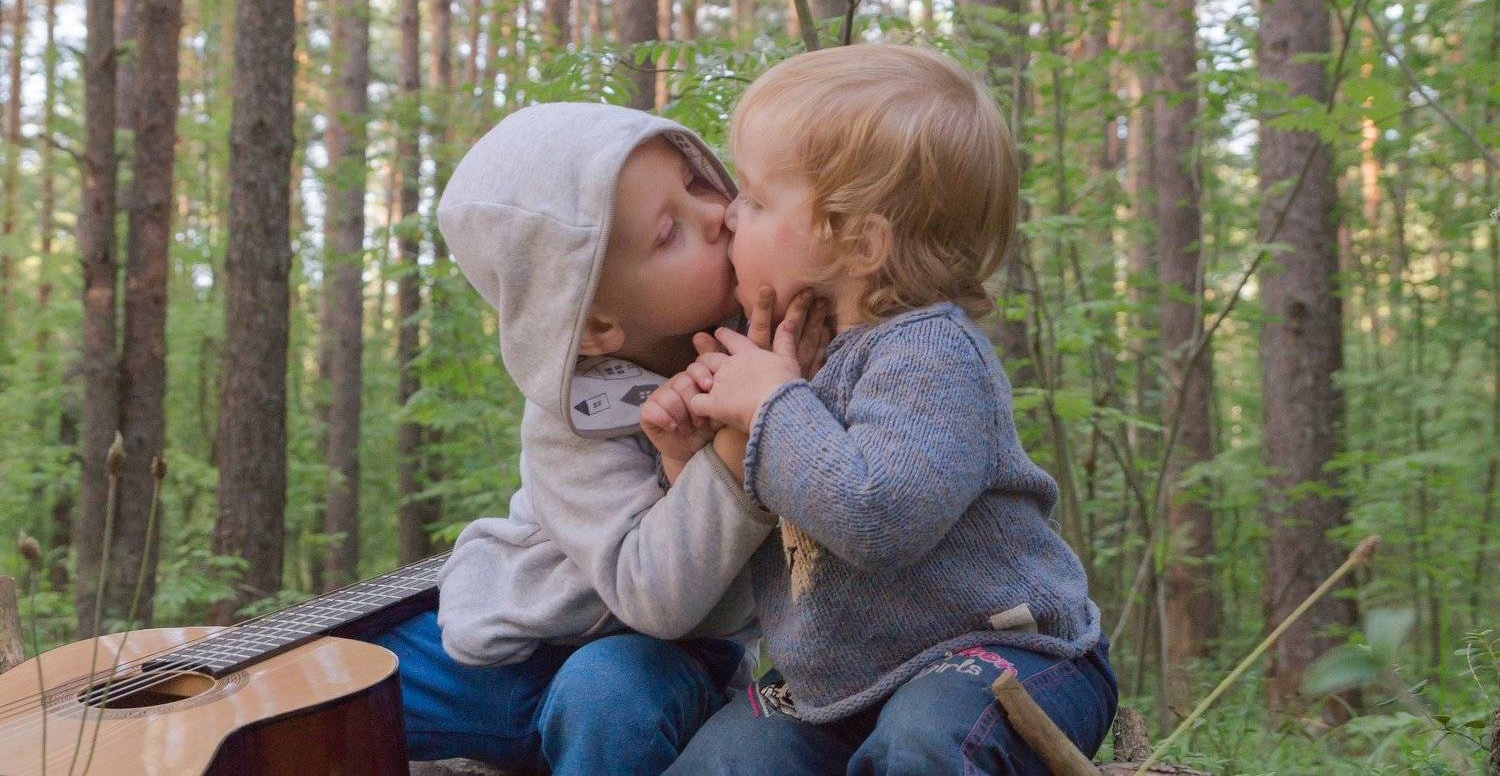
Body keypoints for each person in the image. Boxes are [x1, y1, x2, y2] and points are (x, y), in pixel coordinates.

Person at [662, 44, 1118, 775]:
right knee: (728, 758)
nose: (728, 216)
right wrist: (692, 456)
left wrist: (771, 403)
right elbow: (748, 554)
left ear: (861, 242)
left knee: (926, 738)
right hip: (843, 688)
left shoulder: (932, 354)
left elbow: (877, 517)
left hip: (1008, 653)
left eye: (756, 200)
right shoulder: (795, 358)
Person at [372, 101, 830, 774]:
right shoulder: (568, 419)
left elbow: (662, 603)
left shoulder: (776, 351)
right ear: (593, 326)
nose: (719, 213)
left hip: (655, 660)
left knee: (608, 695)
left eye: (698, 182)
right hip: (509, 652)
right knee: (325, 677)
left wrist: (738, 445)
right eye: (670, 230)